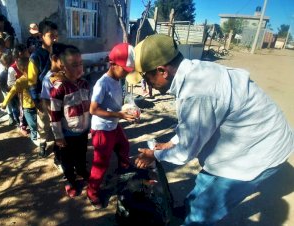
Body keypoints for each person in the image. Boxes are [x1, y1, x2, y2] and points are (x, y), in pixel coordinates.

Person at [131, 34, 294, 225]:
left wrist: (155, 155)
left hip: (258, 152)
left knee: (202, 215)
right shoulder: (193, 72)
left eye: (146, 77)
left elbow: (186, 152)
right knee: (203, 184)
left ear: (161, 70)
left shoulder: (197, 93)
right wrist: (171, 143)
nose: (145, 83)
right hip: (248, 139)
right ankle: (186, 211)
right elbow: (193, 126)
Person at [87, 43, 138, 208]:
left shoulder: (118, 80)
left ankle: (123, 169)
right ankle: (92, 192)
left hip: (113, 125)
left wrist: (128, 108)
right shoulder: (102, 83)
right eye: (124, 69)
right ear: (113, 64)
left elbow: (116, 102)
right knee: (101, 163)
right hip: (102, 129)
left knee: (124, 146)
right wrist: (119, 115)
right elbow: (93, 109)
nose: (126, 73)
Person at [49, 45, 90, 198]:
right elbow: (54, 115)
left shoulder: (84, 84)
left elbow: (87, 106)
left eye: (80, 64)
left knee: (81, 154)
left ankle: (81, 172)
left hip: (83, 130)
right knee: (67, 159)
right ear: (63, 66)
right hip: (67, 133)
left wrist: (89, 125)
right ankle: (70, 179)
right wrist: (58, 136)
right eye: (74, 65)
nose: (79, 68)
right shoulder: (59, 88)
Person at [28, 20, 58, 157]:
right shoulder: (36, 57)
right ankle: (42, 143)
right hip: (43, 96)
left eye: (56, 35)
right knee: (43, 122)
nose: (55, 38)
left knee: (58, 120)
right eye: (51, 35)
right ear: (41, 36)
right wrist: (36, 100)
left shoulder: (58, 51)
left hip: (58, 94)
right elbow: (32, 81)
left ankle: (59, 144)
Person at [40, 42, 67, 171]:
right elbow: (46, 101)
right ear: (55, 59)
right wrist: (53, 117)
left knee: (66, 139)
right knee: (59, 139)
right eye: (64, 60)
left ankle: (66, 157)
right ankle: (58, 159)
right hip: (57, 116)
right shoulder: (48, 79)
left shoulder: (63, 74)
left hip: (67, 115)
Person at [1, 57, 38, 143]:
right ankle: (41, 139)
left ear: (19, 69)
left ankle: (36, 140)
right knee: (39, 123)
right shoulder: (36, 76)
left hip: (28, 107)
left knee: (32, 126)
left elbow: (11, 92)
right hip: (38, 103)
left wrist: (4, 104)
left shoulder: (20, 81)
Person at [8, 44, 30, 136]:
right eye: (27, 51)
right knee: (21, 109)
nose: (28, 53)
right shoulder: (12, 68)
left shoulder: (30, 62)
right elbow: (10, 83)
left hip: (29, 91)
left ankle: (30, 122)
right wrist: (19, 85)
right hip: (20, 94)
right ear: (21, 54)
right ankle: (22, 126)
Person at [0, 52, 20, 126]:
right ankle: (21, 121)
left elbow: (2, 86)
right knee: (19, 107)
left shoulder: (2, 74)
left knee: (15, 108)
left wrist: (8, 90)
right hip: (18, 92)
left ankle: (18, 122)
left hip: (11, 94)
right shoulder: (16, 69)